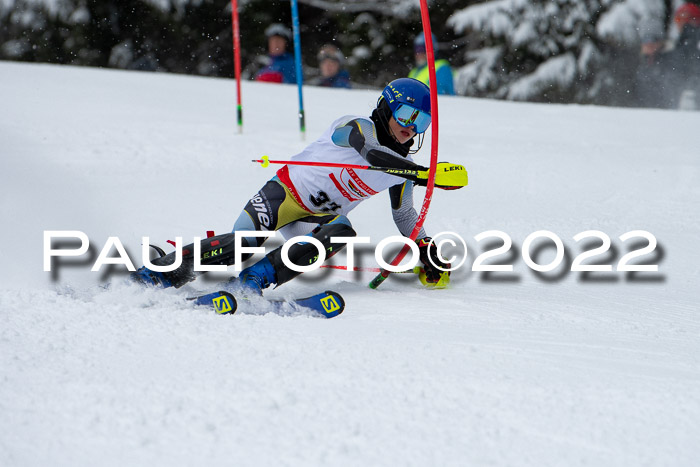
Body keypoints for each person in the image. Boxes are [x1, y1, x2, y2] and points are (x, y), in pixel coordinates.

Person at [131, 78, 464, 294]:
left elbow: (405, 216)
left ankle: (253, 281)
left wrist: (425, 248)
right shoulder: (355, 126)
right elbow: (371, 152)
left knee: (342, 230)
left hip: (314, 219)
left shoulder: (402, 169)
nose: (411, 127)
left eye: (421, 122)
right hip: (282, 196)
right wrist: (424, 173)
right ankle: (160, 270)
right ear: (387, 107)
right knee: (242, 244)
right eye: (406, 115)